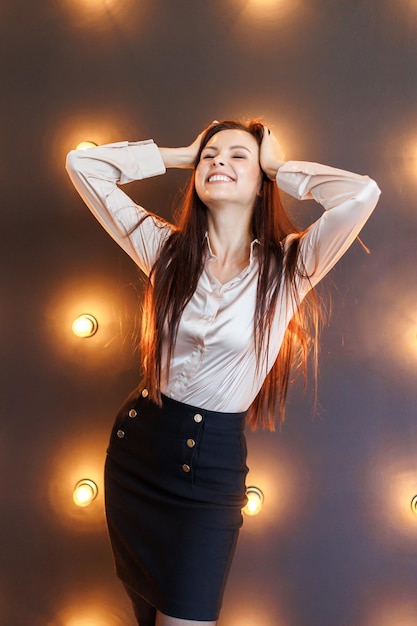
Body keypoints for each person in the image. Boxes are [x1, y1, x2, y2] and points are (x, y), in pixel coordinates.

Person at [66, 119, 380, 626]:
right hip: (137, 452)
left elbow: (361, 194)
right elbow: (82, 165)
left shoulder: (290, 267)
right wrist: (179, 153)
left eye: (239, 156)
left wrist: (279, 166)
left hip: (209, 471)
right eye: (210, 155)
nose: (219, 163)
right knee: (144, 613)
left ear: (261, 181)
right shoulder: (164, 252)